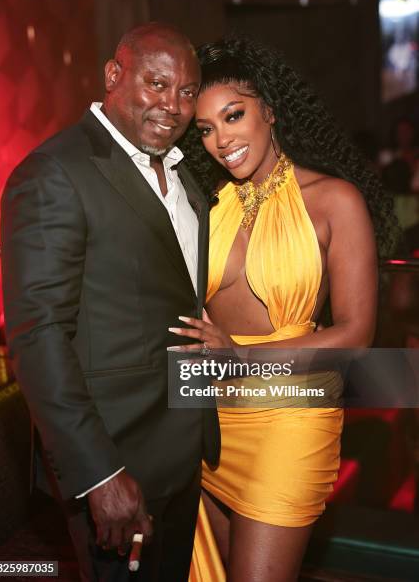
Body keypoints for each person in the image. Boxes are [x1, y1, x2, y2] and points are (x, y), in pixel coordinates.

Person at [170, 37, 397, 581]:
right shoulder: (205, 202)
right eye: (205, 128)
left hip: (288, 416)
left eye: (233, 115)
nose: (221, 140)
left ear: (269, 111)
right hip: (206, 416)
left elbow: (357, 334)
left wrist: (241, 361)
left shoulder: (334, 201)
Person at [0, 22, 220, 582]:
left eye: (188, 92)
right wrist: (99, 475)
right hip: (117, 460)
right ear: (114, 76)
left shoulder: (183, 175)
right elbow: (37, 335)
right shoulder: (55, 173)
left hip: (182, 448)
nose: (173, 105)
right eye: (156, 83)